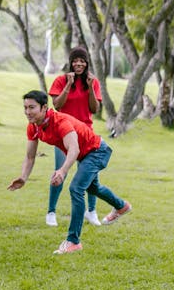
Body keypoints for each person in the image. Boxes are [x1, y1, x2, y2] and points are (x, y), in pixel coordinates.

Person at [7, 90, 132, 254]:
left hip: (97, 151)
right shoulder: (33, 128)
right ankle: (121, 206)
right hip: (86, 155)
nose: (27, 112)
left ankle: (73, 241)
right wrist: (23, 177)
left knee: (76, 188)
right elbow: (30, 156)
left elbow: (74, 149)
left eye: (32, 107)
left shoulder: (60, 122)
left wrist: (62, 170)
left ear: (44, 107)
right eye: (25, 108)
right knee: (92, 188)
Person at [46, 46, 103, 227]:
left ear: (86, 63)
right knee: (60, 170)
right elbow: (57, 106)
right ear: (70, 62)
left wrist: (92, 87)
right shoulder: (61, 80)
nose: (79, 63)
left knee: (91, 174)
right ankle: (51, 212)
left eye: (82, 61)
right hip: (63, 131)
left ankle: (91, 211)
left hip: (85, 132)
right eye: (75, 60)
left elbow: (95, 109)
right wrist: (69, 85)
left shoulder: (92, 82)